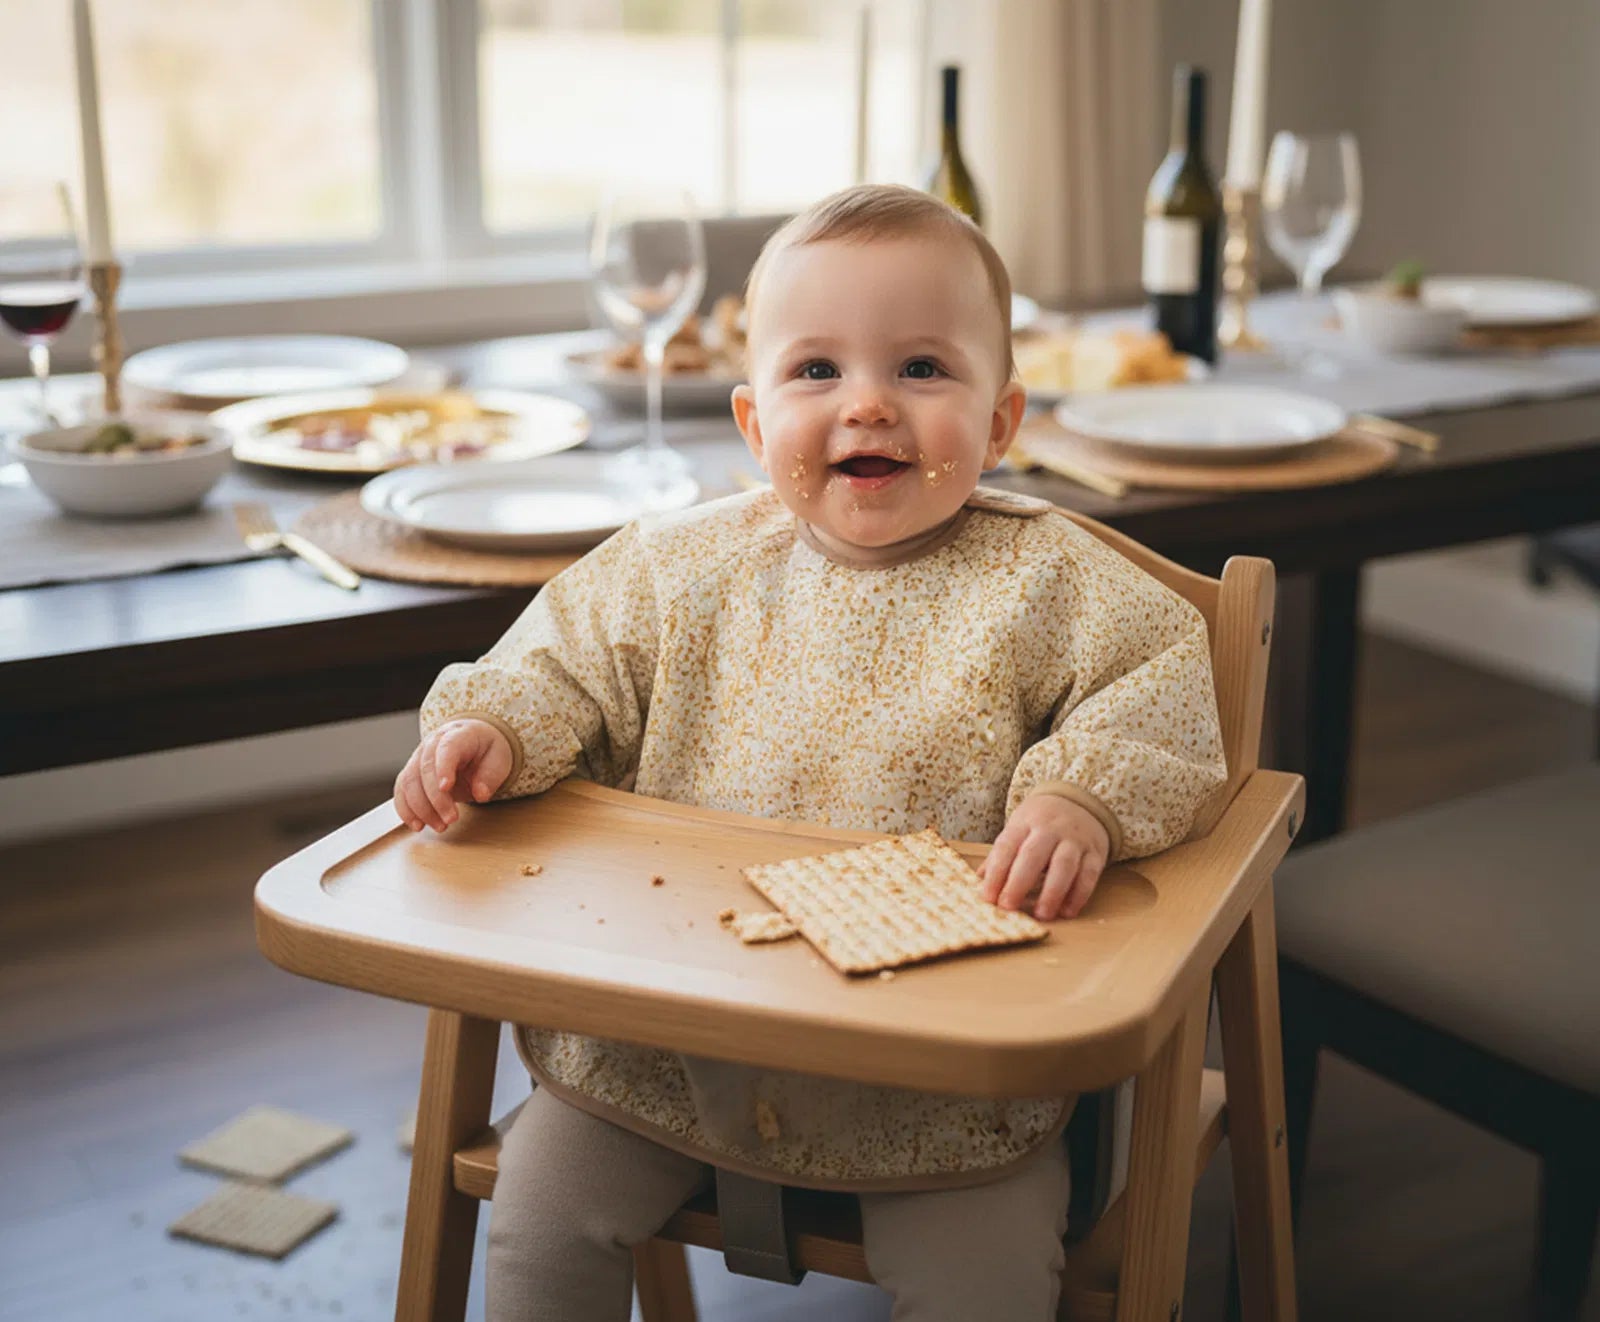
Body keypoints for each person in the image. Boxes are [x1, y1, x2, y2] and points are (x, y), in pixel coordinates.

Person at [393, 183, 1227, 1321]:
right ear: (753, 424)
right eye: (817, 370)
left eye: (921, 368)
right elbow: (563, 662)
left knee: (985, 1279)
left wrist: (1081, 798)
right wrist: (492, 729)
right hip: (664, 1046)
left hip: (935, 1079)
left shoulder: (1056, 585)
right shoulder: (673, 569)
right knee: (539, 1219)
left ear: (999, 423)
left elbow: (1157, 690)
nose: (868, 405)